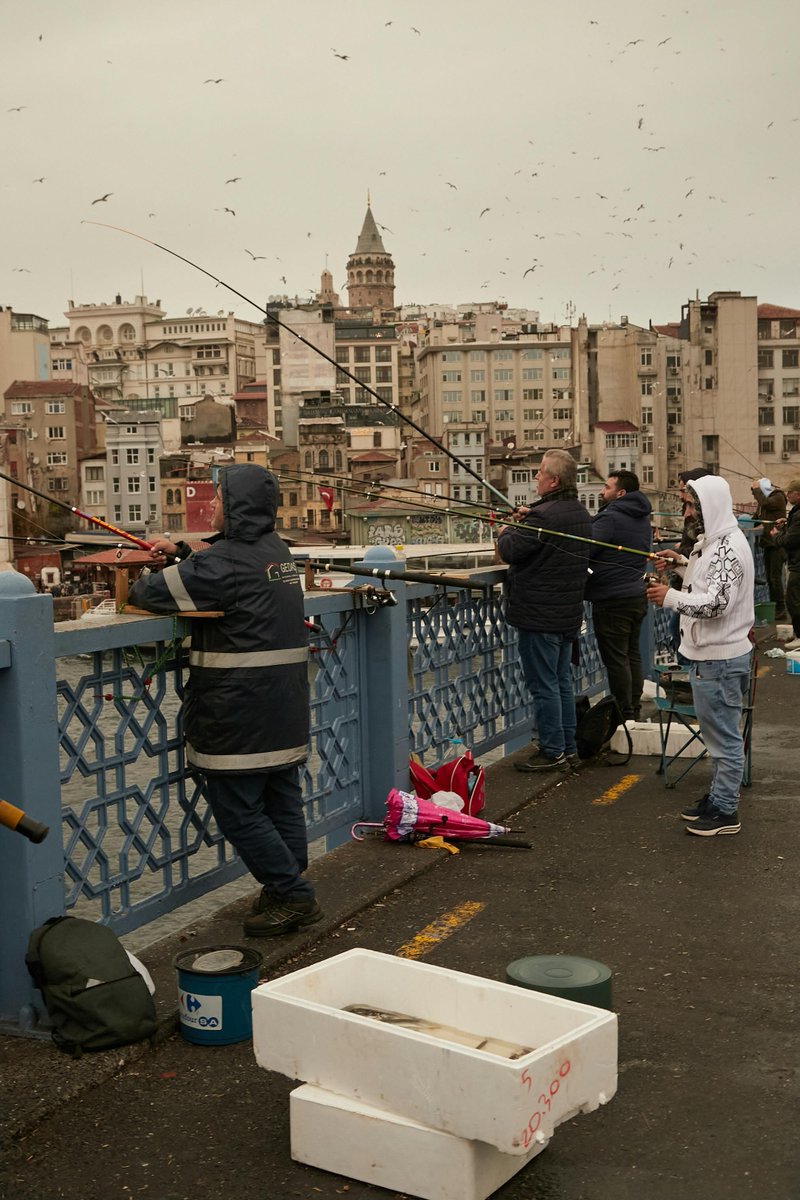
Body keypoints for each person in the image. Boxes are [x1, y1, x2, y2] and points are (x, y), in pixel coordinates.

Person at [128, 463, 321, 936]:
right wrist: (183, 552)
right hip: (284, 705)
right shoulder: (279, 553)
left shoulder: (221, 563)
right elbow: (225, 564)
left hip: (239, 712)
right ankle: (286, 880)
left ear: (235, 507)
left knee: (238, 809)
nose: (211, 506)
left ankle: (293, 894)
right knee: (281, 797)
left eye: (216, 499)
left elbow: (147, 593)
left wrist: (164, 564)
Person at [646, 475, 754, 837]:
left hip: (719, 660)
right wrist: (679, 563)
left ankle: (725, 812)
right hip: (713, 657)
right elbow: (708, 582)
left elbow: (717, 604)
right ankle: (719, 799)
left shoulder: (725, 548)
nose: (687, 512)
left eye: (692, 506)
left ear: (709, 507)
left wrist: (670, 597)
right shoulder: (717, 543)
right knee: (718, 736)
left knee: (723, 740)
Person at [497, 448, 591, 771]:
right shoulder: (579, 512)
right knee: (562, 681)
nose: (535, 477)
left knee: (544, 685)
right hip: (567, 615)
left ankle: (551, 751)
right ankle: (568, 747)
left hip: (540, 616)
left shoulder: (544, 516)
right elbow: (544, 538)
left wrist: (506, 531)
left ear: (553, 480)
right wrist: (529, 520)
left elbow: (510, 550)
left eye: (539, 472)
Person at [585, 470, 652, 722]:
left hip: (612, 598)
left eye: (606, 487)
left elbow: (587, 546)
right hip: (636, 594)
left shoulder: (611, 517)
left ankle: (623, 715)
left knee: (616, 660)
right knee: (631, 653)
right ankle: (633, 707)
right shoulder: (642, 518)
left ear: (620, 493)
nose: (602, 492)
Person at [769, 478, 800, 649]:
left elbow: (789, 541)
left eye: (790, 492)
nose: (787, 495)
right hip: (796, 563)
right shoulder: (796, 512)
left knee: (793, 600)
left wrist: (776, 534)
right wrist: (786, 525)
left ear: (798, 494)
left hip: (798, 565)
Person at [751, 477, 788, 621]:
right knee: (770, 579)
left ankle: (781, 609)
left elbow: (766, 503)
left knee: (775, 578)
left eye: (758, 491)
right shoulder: (764, 502)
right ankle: (775, 608)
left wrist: (756, 490)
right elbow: (757, 518)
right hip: (767, 544)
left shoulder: (777, 497)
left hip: (777, 544)